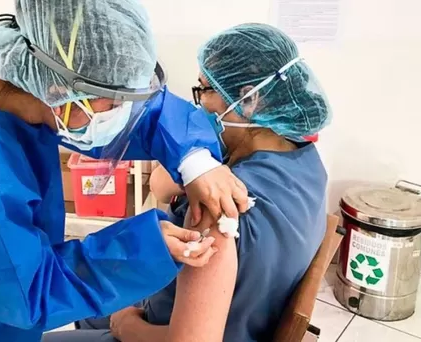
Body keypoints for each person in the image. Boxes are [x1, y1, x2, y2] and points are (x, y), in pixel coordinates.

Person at [0, 1, 253, 341]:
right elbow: (28, 290)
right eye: (114, 101)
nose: (126, 114)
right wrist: (144, 248)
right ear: (60, 93)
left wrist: (194, 158)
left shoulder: (6, 56)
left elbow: (129, 100)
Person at [44, 23, 331, 342]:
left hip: (167, 329)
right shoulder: (308, 163)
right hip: (239, 317)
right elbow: (162, 186)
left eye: (205, 90)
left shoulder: (218, 210)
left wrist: (127, 327)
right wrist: (198, 160)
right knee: (92, 308)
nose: (198, 106)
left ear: (250, 99)